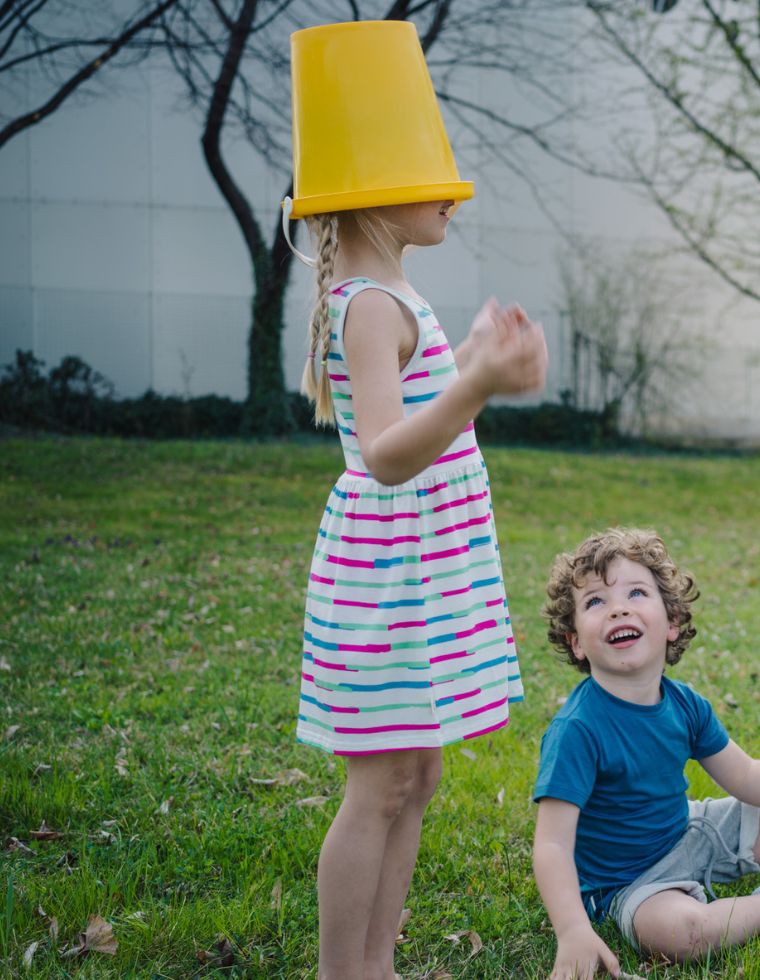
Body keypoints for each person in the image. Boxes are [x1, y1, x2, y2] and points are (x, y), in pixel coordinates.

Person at [282, 19, 548, 980]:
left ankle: (379, 964)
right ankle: (340, 970)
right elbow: (388, 456)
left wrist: (471, 362)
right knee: (381, 781)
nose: (450, 196)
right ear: (373, 195)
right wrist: (473, 384)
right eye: (431, 176)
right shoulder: (368, 306)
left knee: (418, 771)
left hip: (419, 575)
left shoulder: (391, 292)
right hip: (386, 580)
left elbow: (412, 426)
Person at [533, 527, 760, 980]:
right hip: (628, 882)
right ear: (576, 640)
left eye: (636, 592)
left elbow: (747, 779)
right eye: (595, 601)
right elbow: (552, 844)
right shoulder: (578, 729)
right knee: (682, 934)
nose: (618, 606)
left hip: (690, 829)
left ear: (671, 621)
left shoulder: (685, 704)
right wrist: (573, 928)